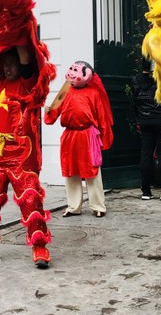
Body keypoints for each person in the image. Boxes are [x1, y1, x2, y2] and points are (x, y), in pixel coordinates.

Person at [0, 47, 52, 268]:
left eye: (11, 63)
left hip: (21, 155)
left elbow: (25, 57)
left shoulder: (26, 82)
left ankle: (39, 245)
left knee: (31, 200)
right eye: (4, 64)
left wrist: (17, 29)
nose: (7, 68)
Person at [45, 61, 114, 218]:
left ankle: (98, 206)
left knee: (93, 171)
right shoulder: (65, 91)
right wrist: (49, 110)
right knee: (71, 171)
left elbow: (102, 117)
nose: (72, 72)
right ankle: (73, 207)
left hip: (88, 136)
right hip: (70, 136)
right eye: (72, 69)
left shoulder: (94, 93)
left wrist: (104, 138)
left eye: (76, 70)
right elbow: (52, 116)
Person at [132, 58, 161, 201]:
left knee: (146, 155)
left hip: (144, 121)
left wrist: (139, 118)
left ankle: (146, 191)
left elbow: (134, 102)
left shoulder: (136, 80)